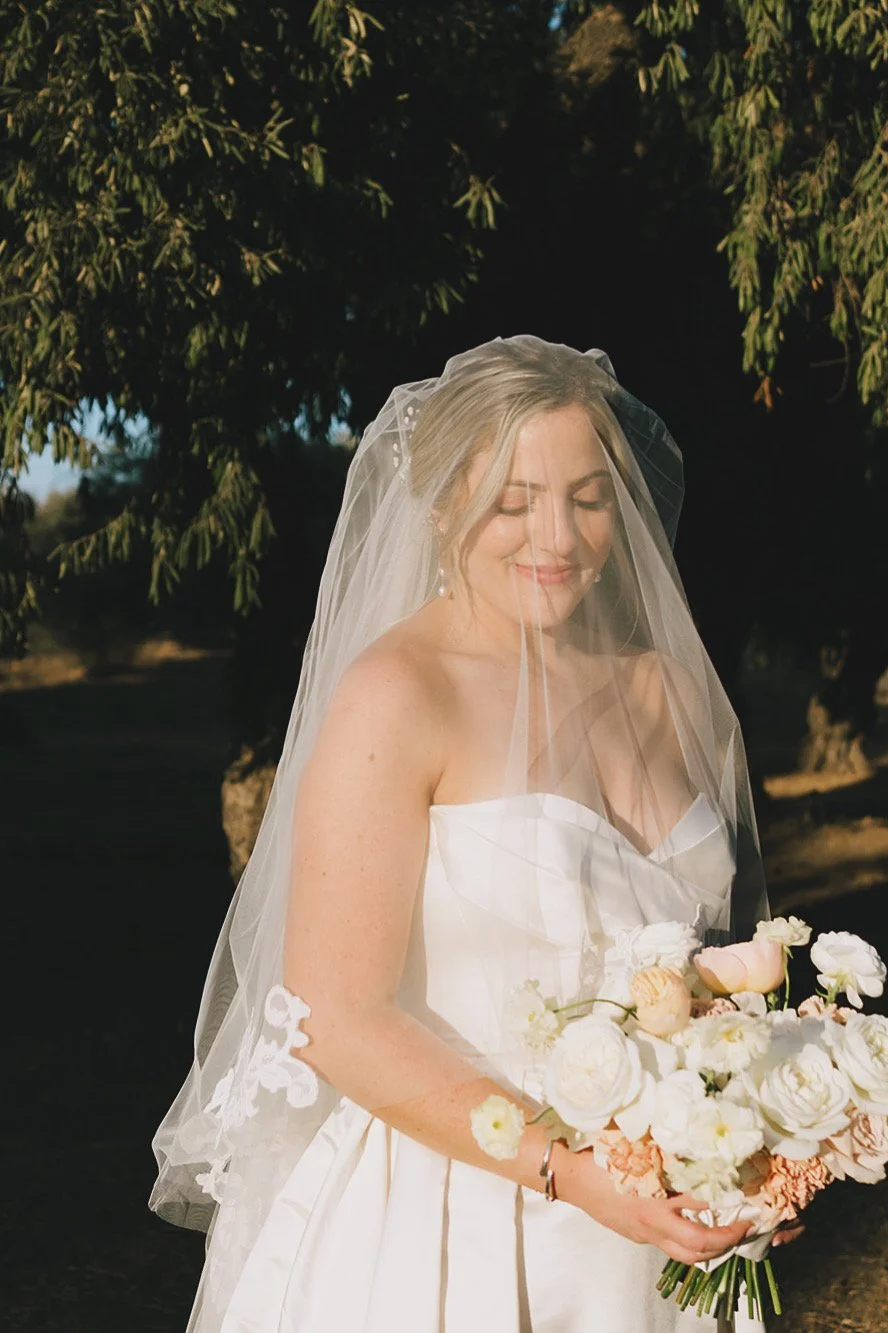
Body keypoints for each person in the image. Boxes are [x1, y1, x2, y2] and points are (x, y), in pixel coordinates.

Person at [150, 336, 778, 1331]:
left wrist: (754, 1134)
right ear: (442, 503)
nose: (557, 536)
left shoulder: (665, 691)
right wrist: (569, 1174)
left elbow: (714, 964)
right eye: (511, 499)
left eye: (586, 495)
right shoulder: (396, 695)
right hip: (454, 1219)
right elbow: (337, 1019)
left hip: (655, 1213)